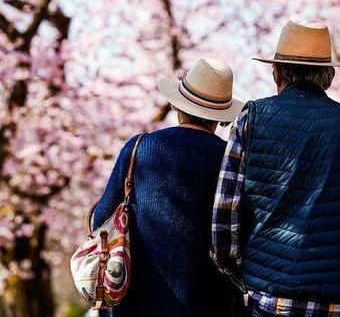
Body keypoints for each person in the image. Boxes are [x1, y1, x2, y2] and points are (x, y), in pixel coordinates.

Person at [211, 21, 340, 317]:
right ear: (329, 76)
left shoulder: (250, 119)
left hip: (269, 299)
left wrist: (240, 273)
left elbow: (225, 211)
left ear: (277, 73)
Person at [93, 57, 245, 317]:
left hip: (137, 303)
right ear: (220, 118)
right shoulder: (231, 159)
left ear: (178, 106)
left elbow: (101, 220)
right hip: (209, 302)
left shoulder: (139, 148)